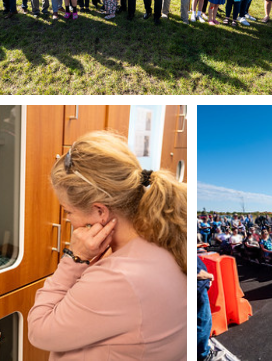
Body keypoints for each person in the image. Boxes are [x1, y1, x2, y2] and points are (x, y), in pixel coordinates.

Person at [27, 131, 186, 360]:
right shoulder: (163, 240)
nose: (68, 220)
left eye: (69, 211)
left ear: (100, 211)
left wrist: (74, 258)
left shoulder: (118, 277)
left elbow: (39, 331)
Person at [197, 254, 215, 361]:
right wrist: (209, 276)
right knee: (203, 322)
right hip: (198, 289)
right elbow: (196, 273)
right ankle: (203, 354)